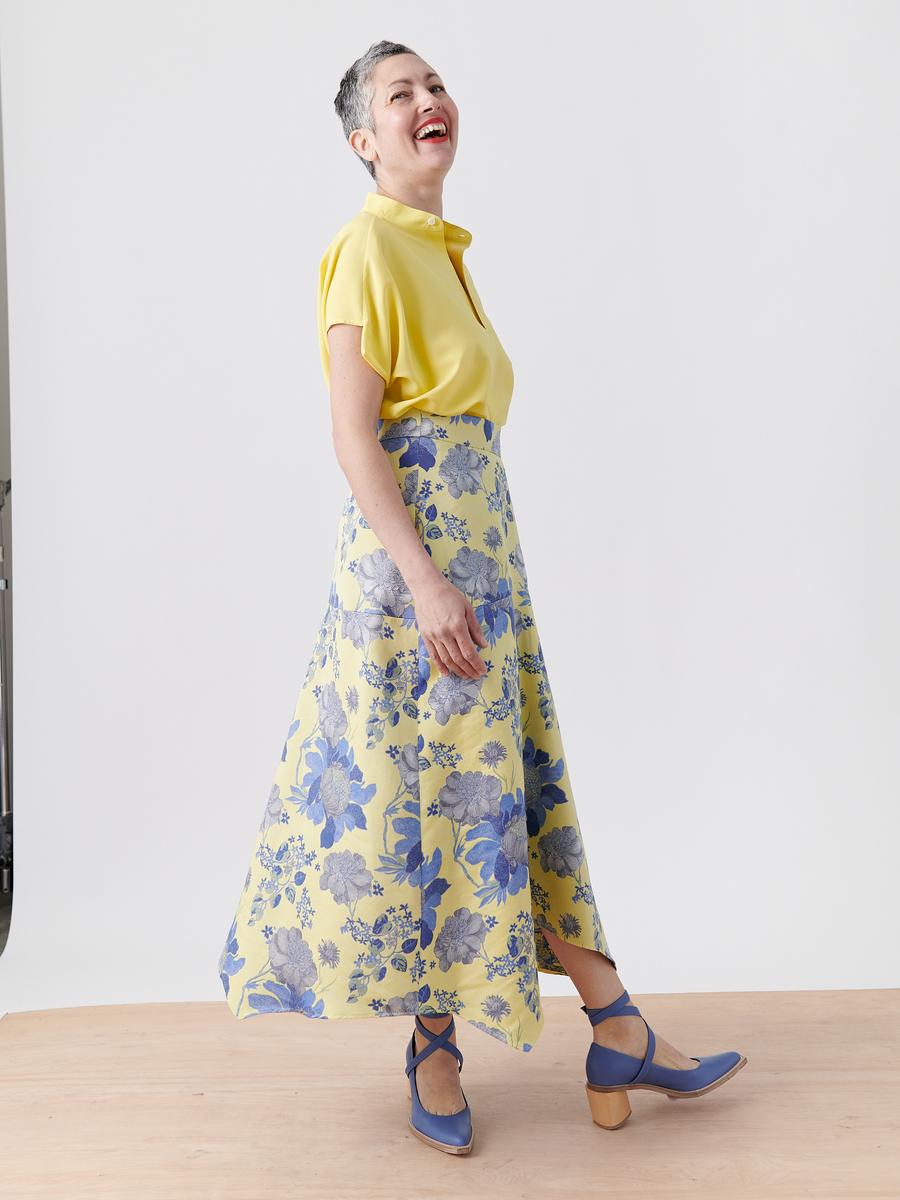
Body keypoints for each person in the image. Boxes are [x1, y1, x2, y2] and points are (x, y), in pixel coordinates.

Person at [218, 39, 746, 1155]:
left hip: (483, 568)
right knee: (433, 797)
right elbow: (353, 436)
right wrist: (425, 584)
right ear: (365, 142)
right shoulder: (366, 245)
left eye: (435, 84)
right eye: (398, 95)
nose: (428, 101)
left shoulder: (440, 250)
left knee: (504, 786)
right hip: (423, 578)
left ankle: (616, 1025)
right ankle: (440, 1045)